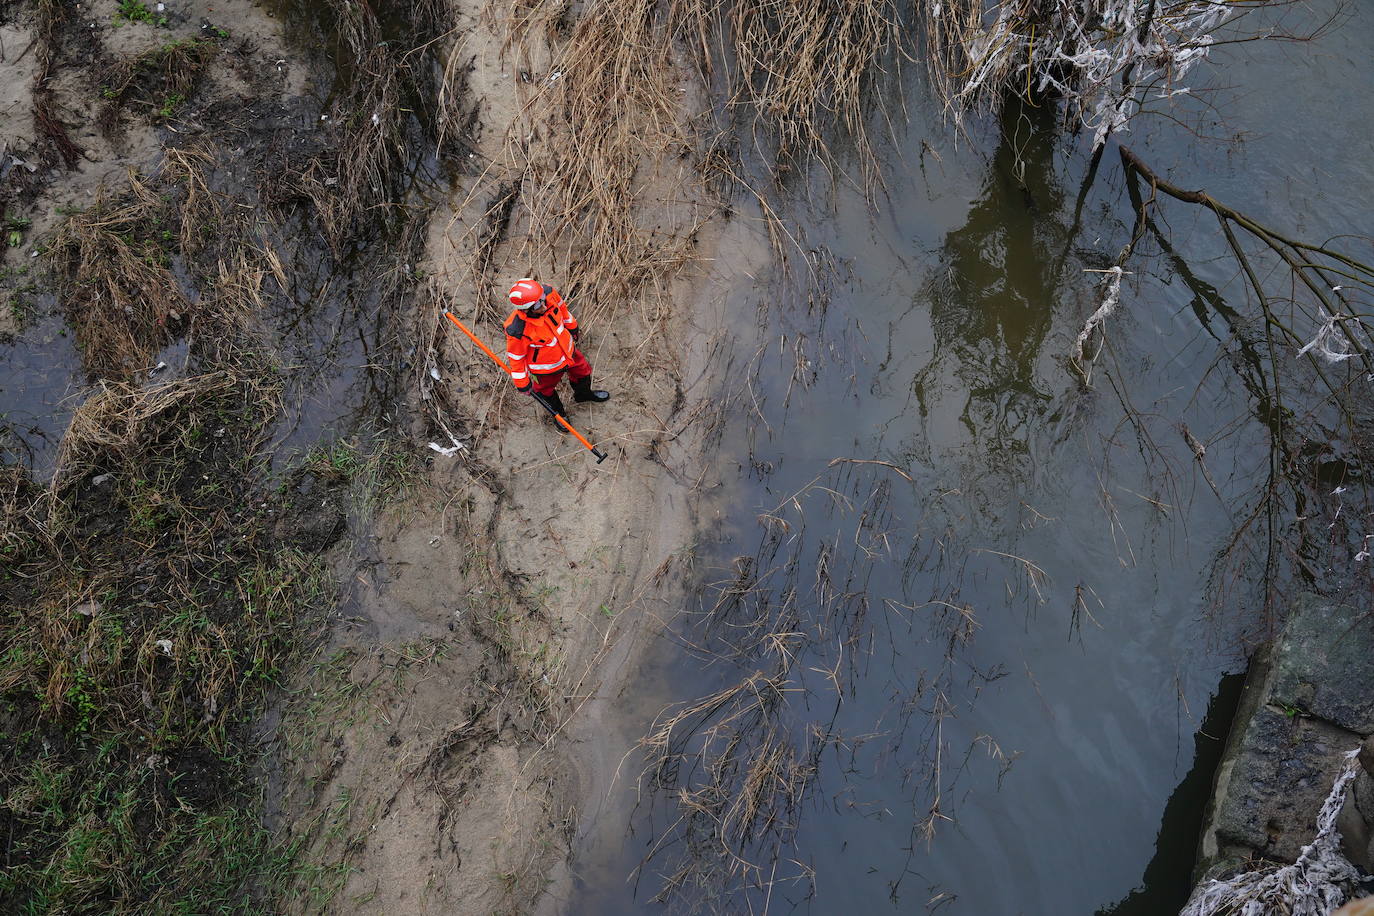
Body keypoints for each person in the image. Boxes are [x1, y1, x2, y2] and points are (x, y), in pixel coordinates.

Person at [502, 278, 610, 422]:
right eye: (538, 304)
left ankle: (583, 395)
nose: (544, 305)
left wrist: (572, 327)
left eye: (542, 299)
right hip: (546, 370)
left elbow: (563, 310)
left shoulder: (549, 294)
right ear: (525, 310)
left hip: (569, 352)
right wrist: (523, 383)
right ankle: (560, 416)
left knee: (583, 372)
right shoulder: (517, 329)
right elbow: (516, 358)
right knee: (545, 392)